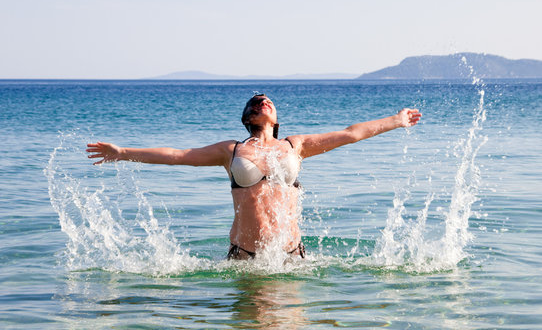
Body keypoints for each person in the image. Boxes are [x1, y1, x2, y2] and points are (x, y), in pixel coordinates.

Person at [86, 94, 421, 260]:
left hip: (291, 257)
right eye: (256, 102)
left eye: (268, 101)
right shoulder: (230, 150)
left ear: (275, 118)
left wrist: (396, 119)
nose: (263, 101)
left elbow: (350, 133)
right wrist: (123, 152)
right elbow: (178, 156)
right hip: (245, 259)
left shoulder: (296, 145)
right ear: (248, 118)